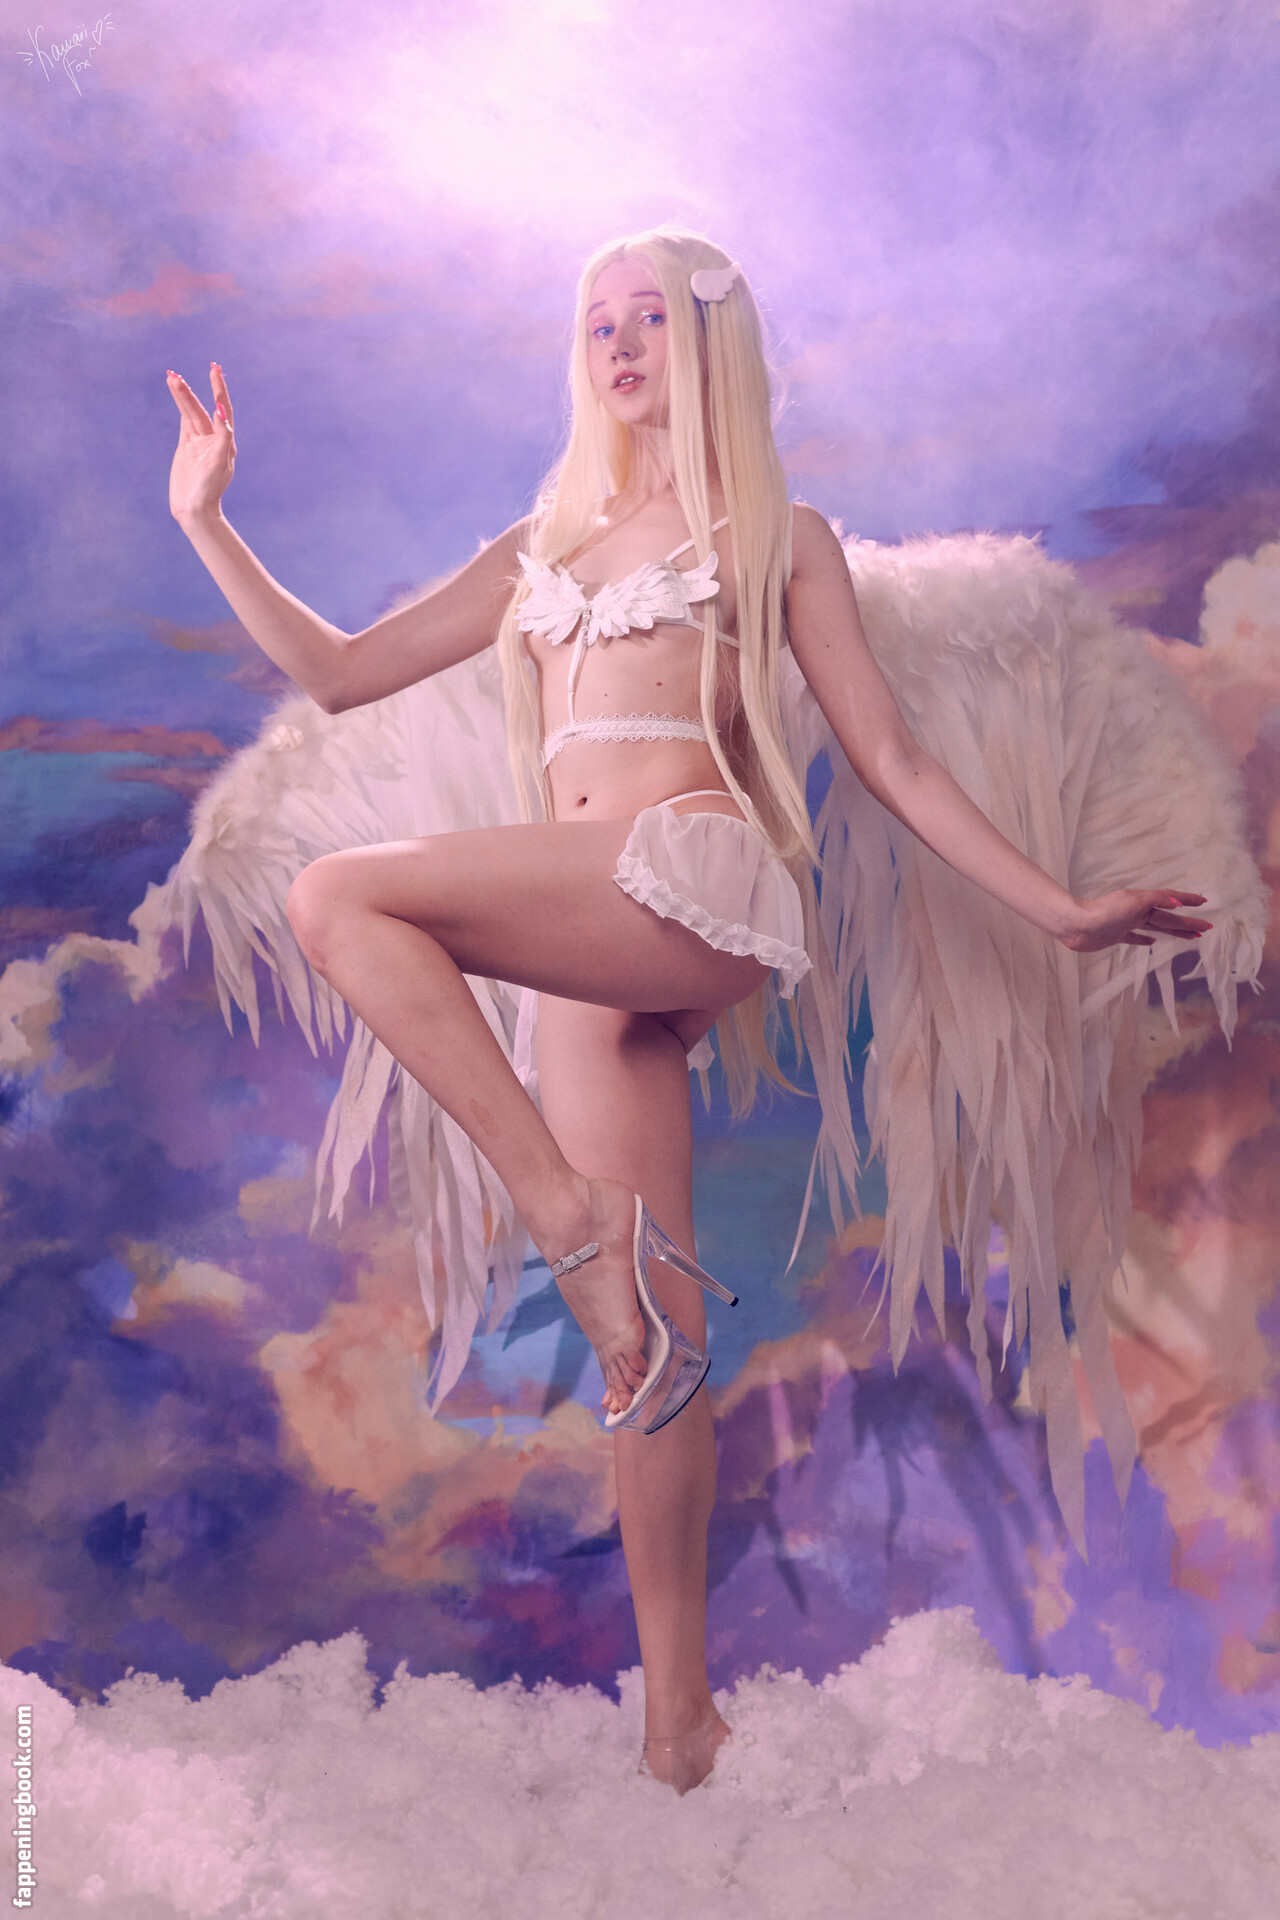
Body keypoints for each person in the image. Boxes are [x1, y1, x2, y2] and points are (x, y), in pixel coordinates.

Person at [165, 226, 1213, 1792]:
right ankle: (681, 1727)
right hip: (589, 955)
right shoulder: (540, 544)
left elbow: (893, 759)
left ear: (709, 343)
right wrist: (206, 520)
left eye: (650, 316)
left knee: (340, 898)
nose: (618, 343)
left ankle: (563, 1218)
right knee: (648, 1342)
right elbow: (337, 672)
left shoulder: (776, 533)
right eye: (598, 321)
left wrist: (1059, 908)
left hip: (684, 877)